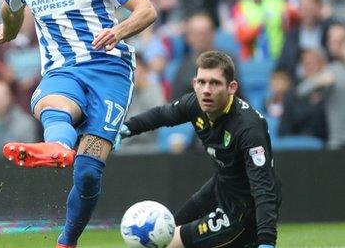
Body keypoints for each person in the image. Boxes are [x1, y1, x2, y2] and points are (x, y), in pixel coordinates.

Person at [0, 0, 157, 247]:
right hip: (61, 68)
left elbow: (146, 10)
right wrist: (7, 30)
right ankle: (58, 147)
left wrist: (119, 31)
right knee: (54, 103)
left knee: (88, 173)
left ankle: (67, 240)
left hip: (110, 69)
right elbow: (12, 6)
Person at [119, 50, 281, 248]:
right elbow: (162, 115)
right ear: (194, 83)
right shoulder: (195, 104)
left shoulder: (248, 128)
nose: (206, 90)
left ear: (231, 87)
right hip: (221, 188)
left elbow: (264, 187)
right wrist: (126, 128)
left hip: (245, 211)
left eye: (215, 83)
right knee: (169, 226)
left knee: (167, 241)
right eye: (201, 82)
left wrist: (267, 241)